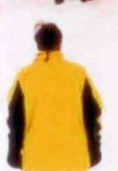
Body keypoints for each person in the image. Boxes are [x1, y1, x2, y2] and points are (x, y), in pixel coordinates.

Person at [6, 22, 102, 171]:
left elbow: (15, 119)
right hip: (75, 159)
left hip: (36, 161)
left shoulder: (25, 77)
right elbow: (93, 112)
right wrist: (94, 148)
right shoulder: (78, 74)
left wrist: (14, 152)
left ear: (37, 44)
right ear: (60, 43)